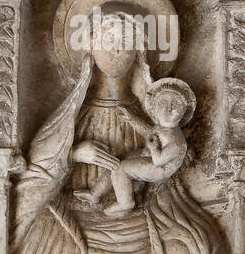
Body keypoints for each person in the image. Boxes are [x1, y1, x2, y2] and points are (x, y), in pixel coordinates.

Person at [9, 0, 223, 254]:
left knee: (194, 244)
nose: (115, 51)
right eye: (107, 40)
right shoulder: (73, 113)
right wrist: (76, 152)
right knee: (56, 244)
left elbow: (165, 165)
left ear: (139, 51)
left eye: (124, 43)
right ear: (89, 47)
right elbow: (42, 169)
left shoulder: (150, 112)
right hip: (79, 208)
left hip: (142, 211)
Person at [75, 78, 194, 215]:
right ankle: (95, 193)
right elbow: (147, 132)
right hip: (147, 156)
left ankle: (125, 202)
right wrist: (131, 118)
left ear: (184, 110)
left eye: (176, 104)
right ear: (154, 109)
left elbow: (158, 161)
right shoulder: (162, 128)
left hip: (158, 169)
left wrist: (154, 148)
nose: (168, 109)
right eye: (162, 103)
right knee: (117, 161)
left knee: (121, 168)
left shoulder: (177, 142)